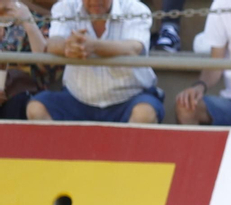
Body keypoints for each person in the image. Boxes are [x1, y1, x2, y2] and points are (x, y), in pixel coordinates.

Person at [25, 0, 161, 124]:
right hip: (77, 99)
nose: (95, 1)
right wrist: (68, 46)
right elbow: (53, 43)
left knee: (144, 113)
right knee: (36, 108)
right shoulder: (65, 6)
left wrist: (93, 46)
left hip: (130, 97)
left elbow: (134, 48)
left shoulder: (136, 9)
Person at [1, 0, 54, 121]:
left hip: (22, 97)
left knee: (19, 103)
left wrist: (28, 22)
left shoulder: (34, 19)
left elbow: (46, 67)